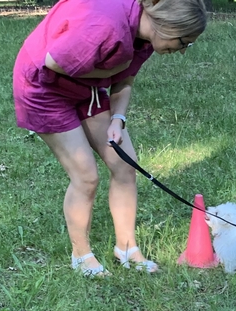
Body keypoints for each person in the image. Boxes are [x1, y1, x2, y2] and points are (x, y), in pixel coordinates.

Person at [13, 0, 207, 277]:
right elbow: (53, 62)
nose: (183, 50)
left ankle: (126, 250)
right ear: (168, 25)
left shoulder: (146, 37)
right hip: (44, 89)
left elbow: (125, 80)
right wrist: (107, 73)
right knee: (86, 177)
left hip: (86, 89)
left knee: (125, 165)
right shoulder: (106, 25)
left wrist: (118, 119)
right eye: (184, 42)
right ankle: (81, 256)